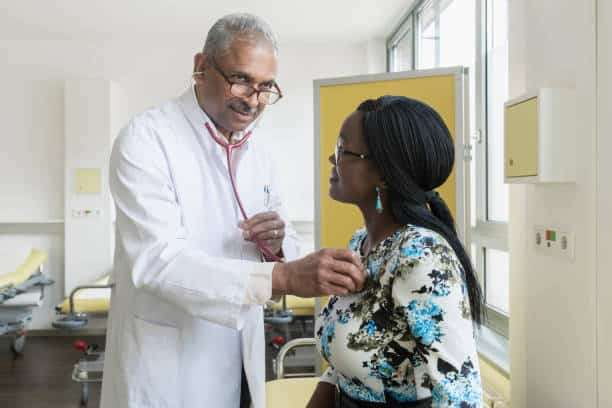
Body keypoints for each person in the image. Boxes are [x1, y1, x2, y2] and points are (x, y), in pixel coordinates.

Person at [100, 13, 364, 408]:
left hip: (240, 353)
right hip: (171, 365)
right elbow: (158, 261)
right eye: (240, 79)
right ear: (201, 67)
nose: (253, 99)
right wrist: (283, 275)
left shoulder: (257, 150)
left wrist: (276, 246)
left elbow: (285, 236)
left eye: (266, 87)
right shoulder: (147, 139)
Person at [307, 96, 484, 408]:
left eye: (342, 148)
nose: (332, 159)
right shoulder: (360, 244)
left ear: (383, 173)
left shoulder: (421, 255)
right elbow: (348, 360)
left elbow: (459, 395)